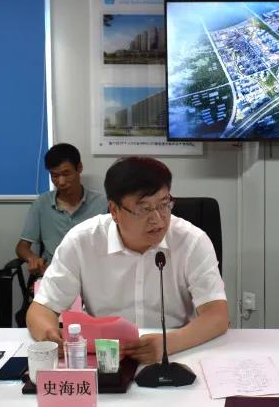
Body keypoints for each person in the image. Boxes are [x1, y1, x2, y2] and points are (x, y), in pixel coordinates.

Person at [26, 156, 228, 363]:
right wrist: (49, 334)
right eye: (144, 209)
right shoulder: (82, 241)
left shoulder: (192, 241)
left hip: (178, 354)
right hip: (106, 356)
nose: (158, 219)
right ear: (114, 211)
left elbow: (217, 316)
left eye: (164, 204)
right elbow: (42, 309)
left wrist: (169, 344)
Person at [16, 143, 108, 276]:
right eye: (55, 175)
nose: (61, 182)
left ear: (79, 168)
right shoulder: (42, 204)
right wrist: (32, 258)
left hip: (92, 274)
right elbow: (22, 247)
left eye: (66, 174)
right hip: (53, 274)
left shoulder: (102, 204)